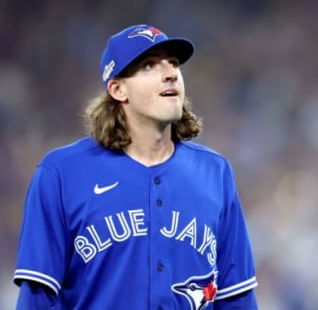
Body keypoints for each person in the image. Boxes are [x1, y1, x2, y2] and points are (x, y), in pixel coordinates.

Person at [13, 23, 258, 309]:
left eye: (174, 63)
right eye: (150, 65)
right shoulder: (61, 174)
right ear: (117, 89)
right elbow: (37, 298)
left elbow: (236, 297)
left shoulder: (215, 173)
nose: (170, 73)